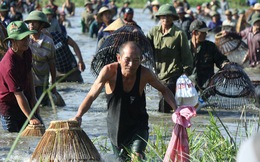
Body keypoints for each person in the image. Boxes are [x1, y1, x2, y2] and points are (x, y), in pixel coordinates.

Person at [71, 41, 177, 161]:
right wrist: (78, 115)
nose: (131, 64)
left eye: (136, 60)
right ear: (119, 58)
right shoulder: (109, 72)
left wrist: (176, 110)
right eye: (127, 60)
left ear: (141, 59)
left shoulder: (145, 74)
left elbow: (164, 90)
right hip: (116, 129)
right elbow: (91, 95)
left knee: (136, 156)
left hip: (138, 126)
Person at [146, 4, 193, 113]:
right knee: (167, 103)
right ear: (159, 18)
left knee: (164, 102)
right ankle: (169, 122)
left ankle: (165, 123)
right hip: (158, 75)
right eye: (162, 16)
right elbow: (144, 45)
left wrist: (186, 72)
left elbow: (186, 55)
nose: (165, 19)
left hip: (173, 74)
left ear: (173, 18)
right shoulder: (154, 31)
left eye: (168, 16)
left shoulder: (179, 34)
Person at [0, 21, 43, 132]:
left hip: (24, 96)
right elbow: (18, 94)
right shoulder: (8, 65)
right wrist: (31, 117)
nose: (27, 41)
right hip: (8, 105)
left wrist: (33, 98)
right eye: (23, 38)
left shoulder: (27, 51)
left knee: (40, 129)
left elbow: (29, 74)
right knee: (14, 137)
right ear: (13, 41)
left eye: (27, 37)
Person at [24, 10, 57, 106]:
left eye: (35, 22)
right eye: (30, 22)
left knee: (42, 110)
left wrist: (53, 85)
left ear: (42, 25)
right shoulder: (25, 40)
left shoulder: (48, 43)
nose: (31, 24)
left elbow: (52, 65)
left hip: (41, 85)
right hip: (26, 84)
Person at [189, 19, 229, 91]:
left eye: (206, 32)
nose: (205, 34)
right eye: (203, 32)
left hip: (207, 86)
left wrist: (225, 64)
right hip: (189, 86)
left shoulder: (210, 46)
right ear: (194, 33)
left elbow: (220, 59)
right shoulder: (185, 47)